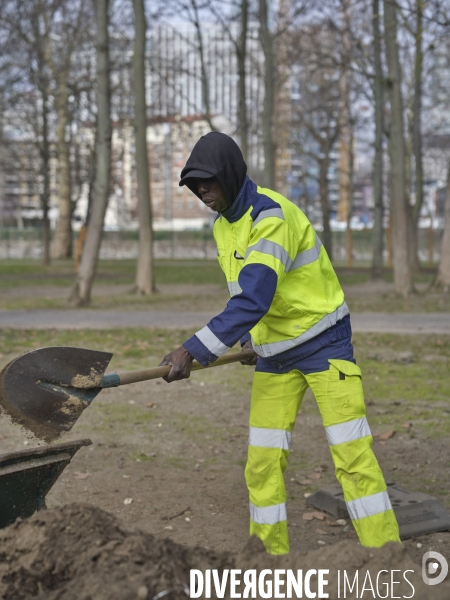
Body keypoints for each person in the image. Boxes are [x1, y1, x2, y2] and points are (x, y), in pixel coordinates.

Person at [160, 131, 400, 555]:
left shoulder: (271, 217)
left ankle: (386, 556)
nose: (201, 191)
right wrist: (252, 338)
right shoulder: (223, 226)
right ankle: (269, 559)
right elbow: (249, 294)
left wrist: (191, 349)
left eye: (208, 181)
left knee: (352, 456)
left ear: (232, 175)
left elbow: (254, 297)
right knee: (263, 462)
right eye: (194, 184)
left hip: (325, 344)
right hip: (275, 354)